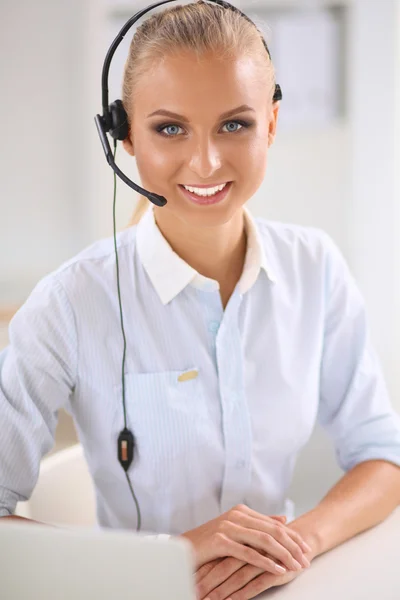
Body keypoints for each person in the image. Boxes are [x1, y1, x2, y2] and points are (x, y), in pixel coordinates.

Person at [1, 1, 400, 599]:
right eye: (169, 128)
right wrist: (179, 555)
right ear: (126, 136)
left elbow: (382, 456)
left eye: (234, 124)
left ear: (271, 123)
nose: (206, 161)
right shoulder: (69, 305)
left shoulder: (315, 268)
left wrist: (299, 543)